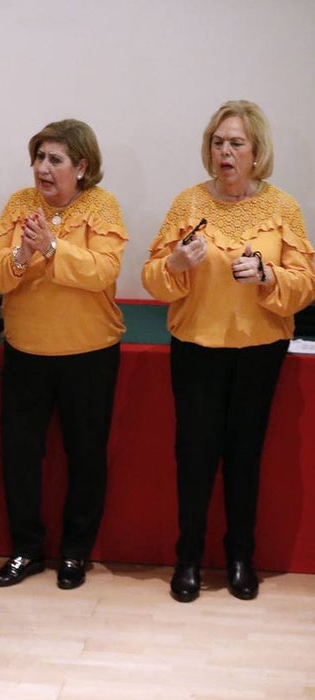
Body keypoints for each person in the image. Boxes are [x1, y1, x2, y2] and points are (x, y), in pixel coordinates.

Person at [142, 101, 315, 603]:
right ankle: (189, 559)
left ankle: (241, 558)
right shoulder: (188, 204)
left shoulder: (282, 208)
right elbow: (153, 278)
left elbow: (305, 284)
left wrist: (268, 275)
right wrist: (174, 264)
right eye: (218, 142)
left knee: (245, 457)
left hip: (259, 352)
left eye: (236, 143)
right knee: (194, 457)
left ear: (256, 151)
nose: (225, 151)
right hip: (197, 348)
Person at [0, 119, 127, 591]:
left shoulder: (102, 206)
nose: (43, 167)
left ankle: (76, 553)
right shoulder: (20, 205)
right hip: (27, 351)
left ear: (81, 166)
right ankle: (27, 549)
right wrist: (22, 256)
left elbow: (103, 271)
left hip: (90, 353)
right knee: (20, 455)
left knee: (86, 456)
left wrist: (53, 246)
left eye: (54, 159)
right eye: (39, 157)